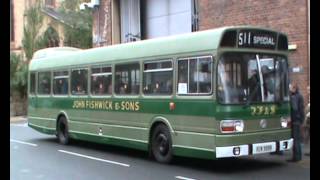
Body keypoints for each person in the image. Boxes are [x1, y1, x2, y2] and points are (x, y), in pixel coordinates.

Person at [288, 82, 305, 162]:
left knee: (296, 139)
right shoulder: (300, 96)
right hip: (299, 120)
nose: (289, 89)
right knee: (297, 138)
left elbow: (294, 108)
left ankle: (296, 157)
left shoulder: (294, 97)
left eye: (291, 88)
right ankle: (298, 156)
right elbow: (302, 109)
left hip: (295, 120)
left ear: (294, 88)